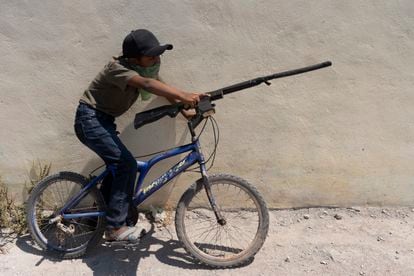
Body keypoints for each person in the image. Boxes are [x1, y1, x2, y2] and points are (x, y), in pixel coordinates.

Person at [74, 29, 202, 242]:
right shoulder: (117, 69)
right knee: (126, 165)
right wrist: (185, 95)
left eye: (158, 55)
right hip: (89, 120)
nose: (156, 59)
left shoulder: (144, 70)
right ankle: (115, 228)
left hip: (103, 121)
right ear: (134, 58)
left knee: (118, 167)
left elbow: (162, 88)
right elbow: (148, 85)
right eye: (151, 56)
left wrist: (183, 109)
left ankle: (99, 218)